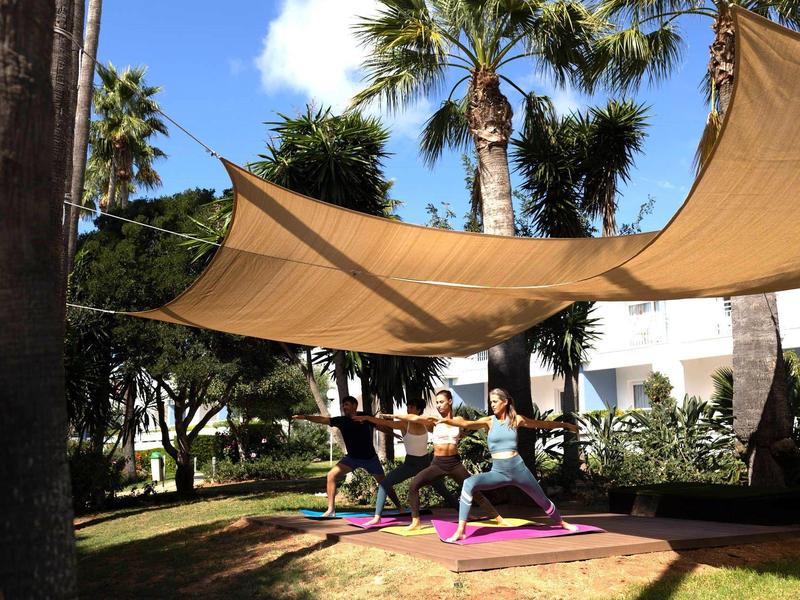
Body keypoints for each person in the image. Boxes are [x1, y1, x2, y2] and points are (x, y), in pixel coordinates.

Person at [437, 387, 579, 543]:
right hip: (498, 472)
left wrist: (565, 425)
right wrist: (447, 420)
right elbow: (466, 423)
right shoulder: (489, 421)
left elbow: (541, 423)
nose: (492, 405)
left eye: (495, 401)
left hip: (519, 470)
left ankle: (562, 522)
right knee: (469, 483)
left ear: (504, 402)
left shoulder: (516, 419)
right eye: (490, 402)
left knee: (542, 500)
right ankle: (461, 530)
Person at [390, 389, 504, 531]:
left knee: (474, 491)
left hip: (455, 463)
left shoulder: (458, 420)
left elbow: (471, 425)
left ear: (450, 401)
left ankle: (498, 518)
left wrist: (488, 425)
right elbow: (415, 418)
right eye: (437, 402)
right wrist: (394, 415)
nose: (438, 405)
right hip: (438, 464)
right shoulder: (434, 421)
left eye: (441, 402)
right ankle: (416, 521)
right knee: (414, 485)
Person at [352, 397, 458, 526]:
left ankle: (464, 514)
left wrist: (457, 433)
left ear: (419, 410)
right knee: (385, 483)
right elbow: (384, 423)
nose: (408, 409)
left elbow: (443, 428)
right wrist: (368, 418)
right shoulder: (403, 424)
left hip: (426, 464)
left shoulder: (426, 424)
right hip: (410, 464)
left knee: (443, 490)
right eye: (408, 406)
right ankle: (377, 517)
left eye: (412, 407)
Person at [293, 395, 401, 517]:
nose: (344, 407)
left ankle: (400, 508)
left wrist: (392, 434)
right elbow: (323, 419)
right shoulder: (341, 420)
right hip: (352, 459)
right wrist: (306, 417)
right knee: (331, 475)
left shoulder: (364, 417)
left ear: (355, 406)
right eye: (343, 405)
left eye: (347, 405)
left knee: (384, 483)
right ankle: (331, 510)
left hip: (370, 459)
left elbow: (379, 426)